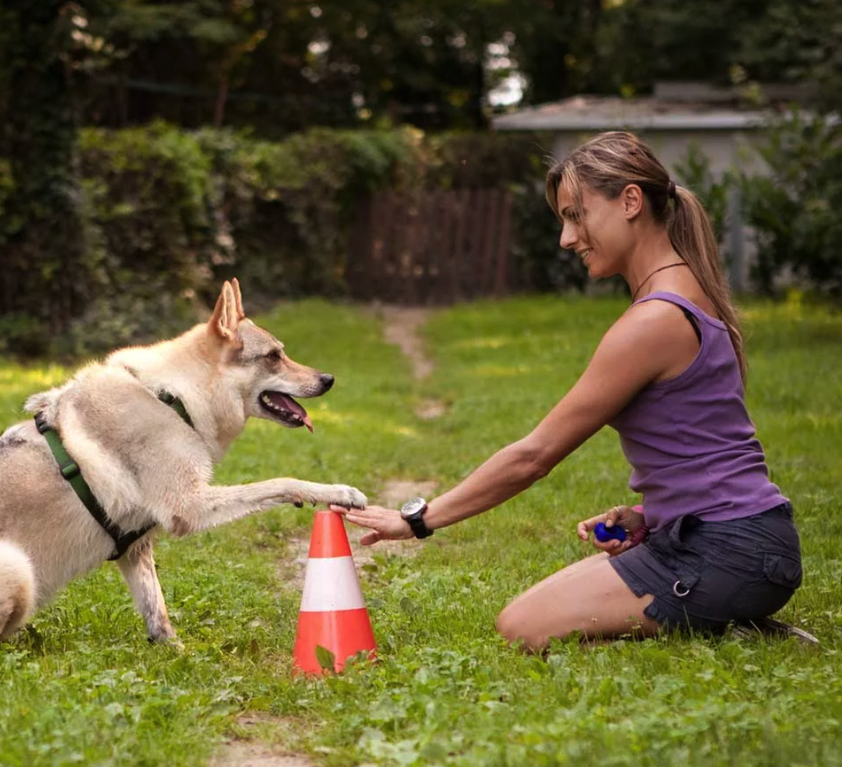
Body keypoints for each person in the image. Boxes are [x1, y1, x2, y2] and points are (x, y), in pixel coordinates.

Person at [336, 131, 804, 653]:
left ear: (630, 201)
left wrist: (418, 521)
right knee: (534, 613)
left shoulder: (654, 320)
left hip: (729, 549)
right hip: (736, 537)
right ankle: (724, 611)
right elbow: (706, 442)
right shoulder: (686, 295)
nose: (566, 237)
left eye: (576, 215)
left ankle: (720, 616)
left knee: (525, 627)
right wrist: (653, 518)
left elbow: (535, 456)